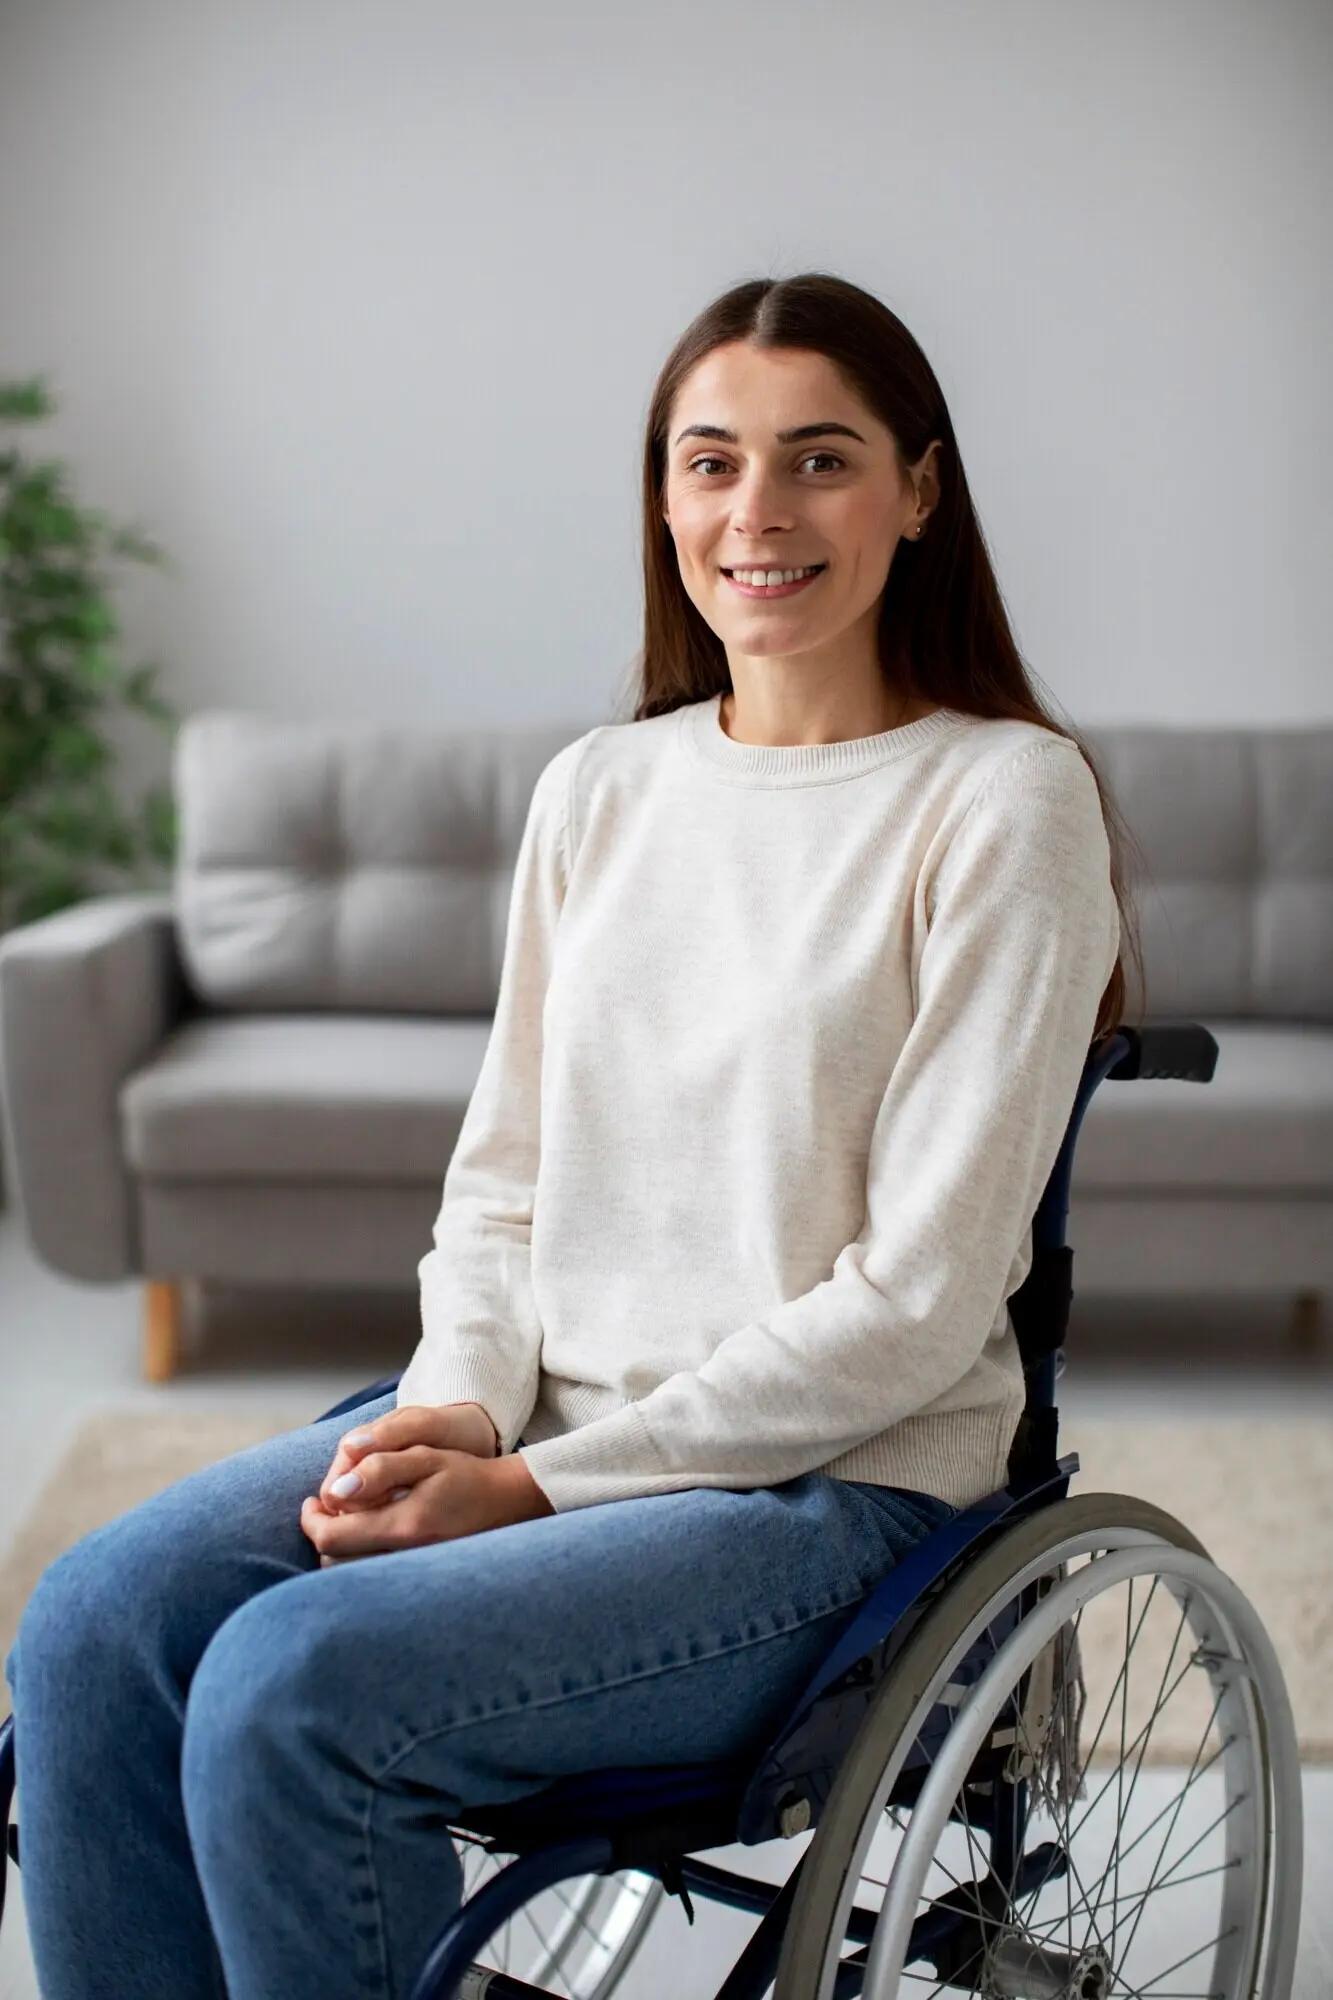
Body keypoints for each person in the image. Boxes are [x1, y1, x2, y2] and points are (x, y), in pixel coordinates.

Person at [4, 270, 1138, 2000]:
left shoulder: (1002, 801)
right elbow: (501, 1192)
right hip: (538, 1421)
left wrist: (529, 1490)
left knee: (291, 1691)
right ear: (664, 498)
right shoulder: (602, 790)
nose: (757, 512)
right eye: (711, 461)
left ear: (919, 491)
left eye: (821, 459)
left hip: (822, 1494)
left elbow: (916, 1307)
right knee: (93, 1627)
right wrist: (462, 1407)